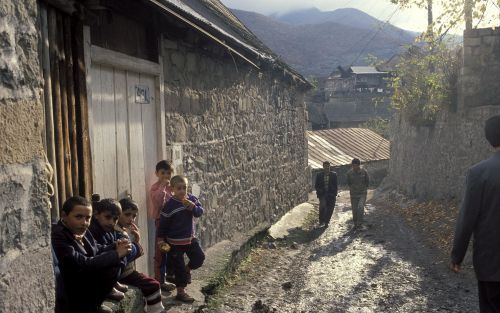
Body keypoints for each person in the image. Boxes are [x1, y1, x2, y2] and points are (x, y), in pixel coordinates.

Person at [450, 115, 500, 313]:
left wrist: (457, 255)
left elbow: (467, 219)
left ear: (488, 139)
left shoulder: (479, 173)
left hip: (491, 263)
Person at [52, 196, 131, 313]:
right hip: (72, 290)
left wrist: (115, 246)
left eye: (88, 218)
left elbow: (96, 249)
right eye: (78, 217)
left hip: (86, 282)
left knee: (118, 261)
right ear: (64, 215)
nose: (84, 222)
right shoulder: (58, 236)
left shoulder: (83, 229)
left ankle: (95, 304)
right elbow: (83, 264)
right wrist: (116, 254)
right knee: (114, 261)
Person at [157, 175, 205, 303]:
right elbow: (163, 224)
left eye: (184, 187)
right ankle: (181, 292)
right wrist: (160, 240)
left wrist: (193, 207)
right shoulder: (169, 205)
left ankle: (188, 269)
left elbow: (199, 212)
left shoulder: (192, 199)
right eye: (179, 188)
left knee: (199, 258)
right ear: (172, 189)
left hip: (190, 239)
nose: (182, 191)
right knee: (178, 267)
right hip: (174, 242)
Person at [117, 198, 166, 313]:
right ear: (118, 214)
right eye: (127, 214)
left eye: (134, 216)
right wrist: (136, 241)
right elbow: (126, 255)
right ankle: (157, 311)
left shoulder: (123, 229)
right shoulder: (118, 232)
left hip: (126, 271)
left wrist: (136, 240)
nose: (131, 219)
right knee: (153, 285)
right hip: (124, 274)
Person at [88, 196, 128, 302]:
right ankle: (107, 291)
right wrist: (114, 247)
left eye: (115, 219)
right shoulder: (92, 230)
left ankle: (112, 283)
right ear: (96, 215)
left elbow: (115, 238)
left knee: (123, 255)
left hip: (104, 262)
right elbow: (96, 251)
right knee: (115, 261)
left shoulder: (108, 229)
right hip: (94, 269)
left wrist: (121, 242)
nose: (112, 222)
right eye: (108, 217)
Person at [148, 160, 176, 291]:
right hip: (161, 223)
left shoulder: (174, 188)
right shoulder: (155, 188)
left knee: (174, 250)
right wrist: (163, 188)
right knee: (161, 251)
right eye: (163, 173)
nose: (166, 175)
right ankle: (160, 280)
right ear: (157, 174)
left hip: (174, 224)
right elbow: (158, 203)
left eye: (168, 173)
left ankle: (171, 275)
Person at [346, 158, 369, 229]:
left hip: (362, 193)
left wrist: (364, 189)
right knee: (354, 209)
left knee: (360, 207)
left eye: (356, 166)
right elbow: (349, 183)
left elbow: (367, 182)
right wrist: (353, 189)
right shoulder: (349, 173)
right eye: (353, 166)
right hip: (353, 194)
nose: (355, 167)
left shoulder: (364, 172)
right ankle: (355, 223)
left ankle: (360, 223)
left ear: (359, 165)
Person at [314, 161, 338, 227]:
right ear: (323, 167)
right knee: (323, 206)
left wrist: (334, 194)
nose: (327, 168)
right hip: (323, 194)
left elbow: (335, 185)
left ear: (329, 167)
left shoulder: (334, 175)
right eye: (325, 166)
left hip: (331, 194)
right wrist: (320, 191)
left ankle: (327, 221)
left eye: (328, 167)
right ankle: (321, 221)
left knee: (330, 208)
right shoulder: (319, 175)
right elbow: (316, 185)